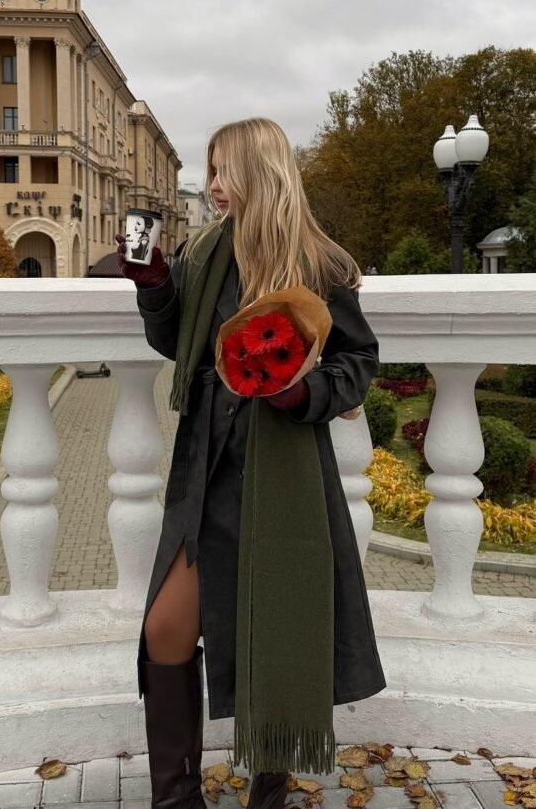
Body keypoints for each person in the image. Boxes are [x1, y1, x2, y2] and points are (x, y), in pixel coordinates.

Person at [115, 117, 386, 809]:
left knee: (277, 626)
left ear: (259, 172)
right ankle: (176, 800)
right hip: (206, 458)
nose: (210, 188)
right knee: (165, 628)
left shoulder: (318, 264)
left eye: (221, 171)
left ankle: (267, 793)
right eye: (207, 173)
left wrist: (304, 392)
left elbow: (359, 361)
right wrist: (151, 283)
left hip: (281, 464)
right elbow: (179, 342)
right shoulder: (203, 251)